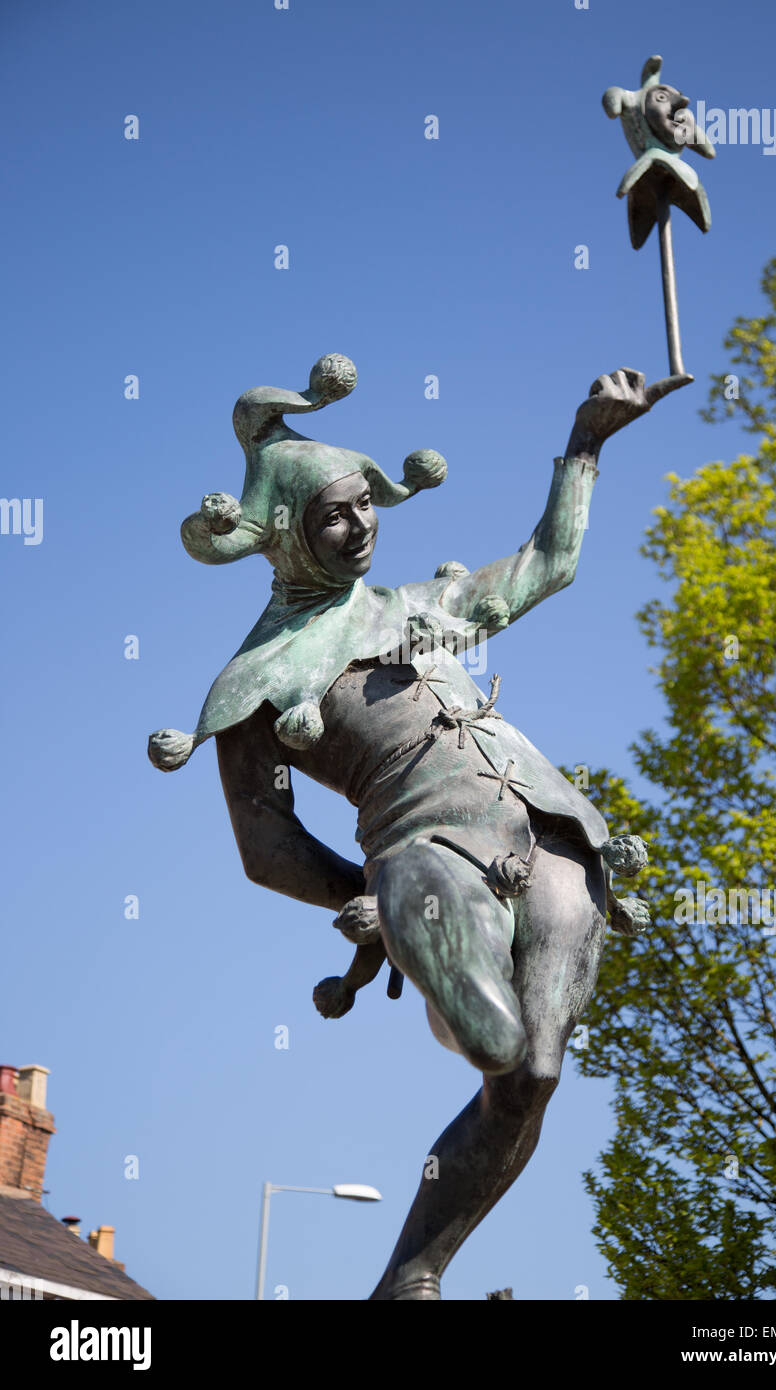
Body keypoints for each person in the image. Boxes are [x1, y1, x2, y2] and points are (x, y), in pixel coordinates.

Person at [148, 354, 686, 1299]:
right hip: (420, 854)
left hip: (547, 830)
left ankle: (413, 1276)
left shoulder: (419, 609)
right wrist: (374, 903)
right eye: (334, 517)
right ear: (285, 536)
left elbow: (549, 564)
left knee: (538, 1073)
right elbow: (265, 845)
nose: (360, 529)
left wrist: (584, 443)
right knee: (495, 1042)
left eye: (366, 507)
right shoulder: (252, 690)